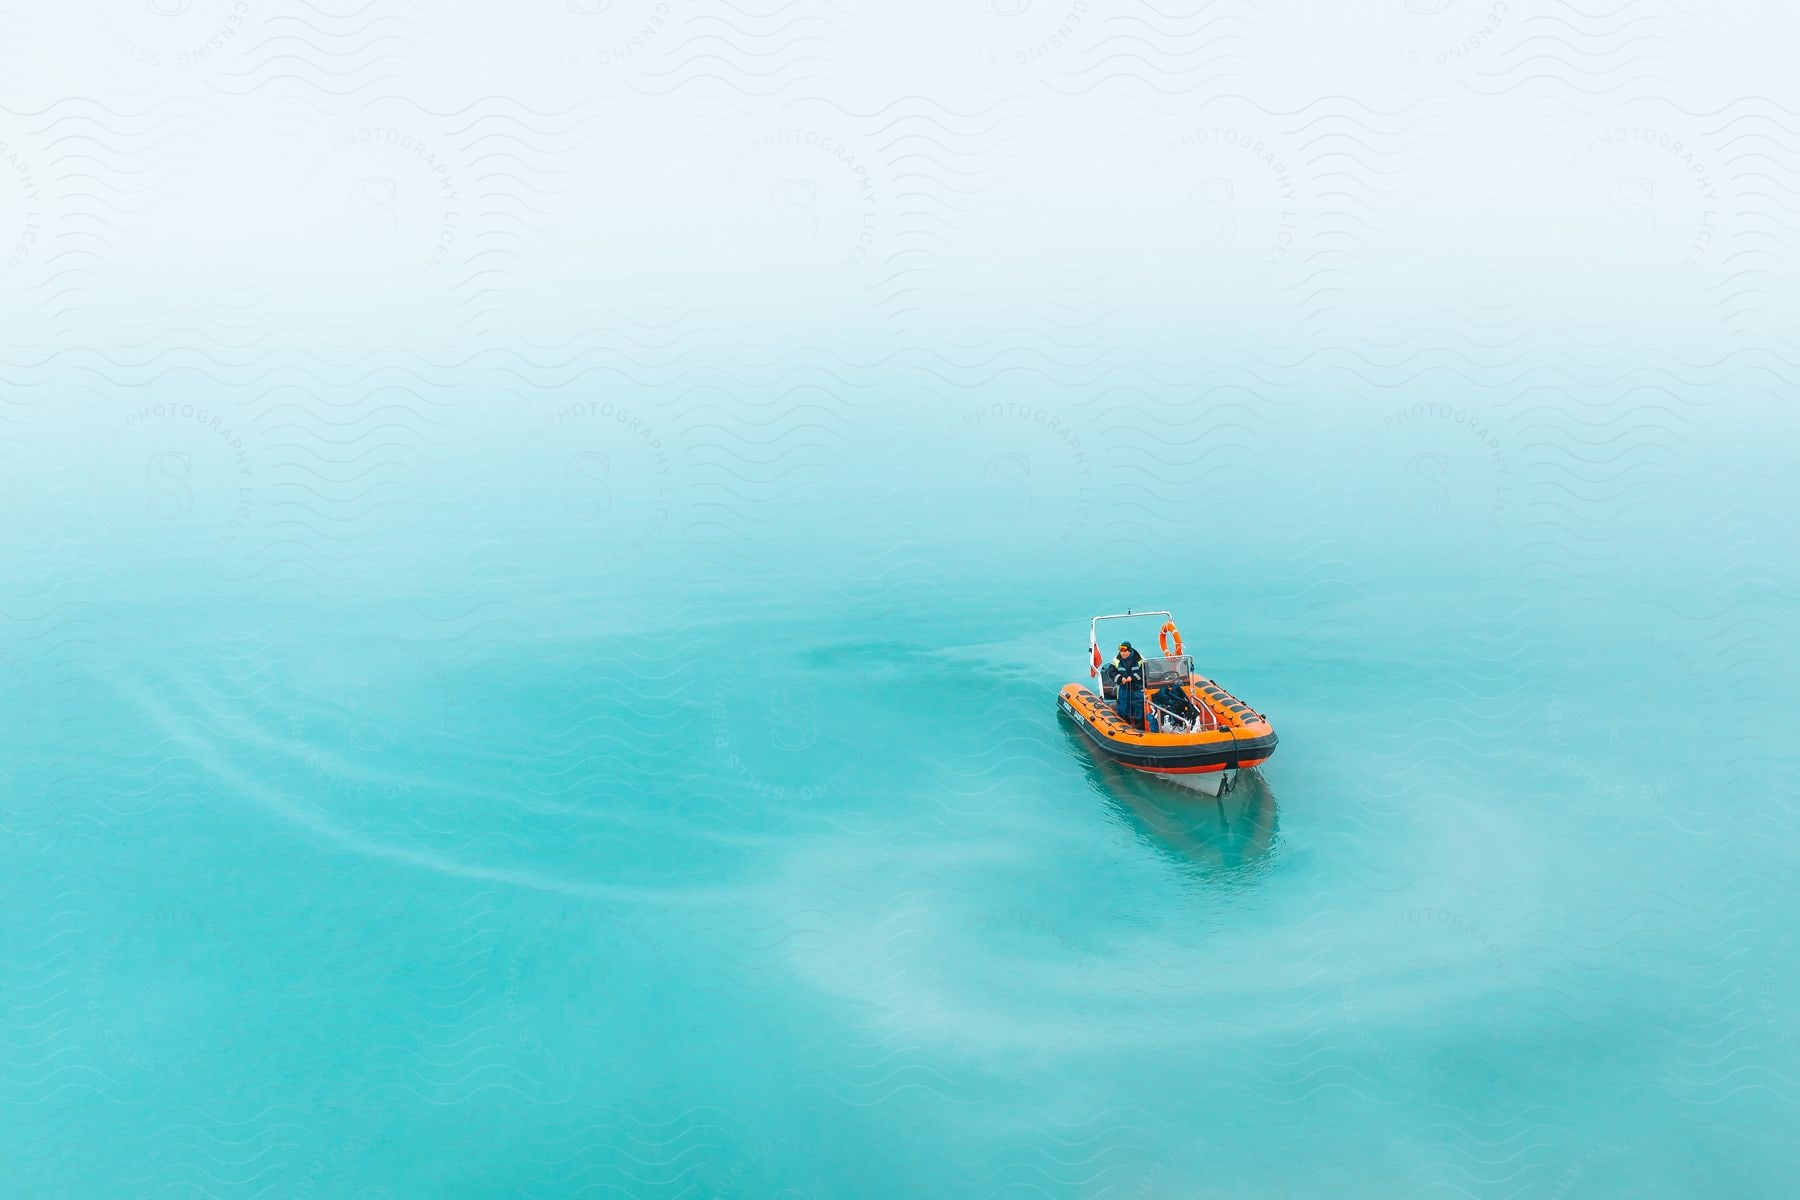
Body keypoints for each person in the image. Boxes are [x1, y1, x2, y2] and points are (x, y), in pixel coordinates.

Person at [1111, 641, 1145, 725]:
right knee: (1123, 708)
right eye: (1121, 651)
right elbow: (1111, 672)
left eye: (1125, 651)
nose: (1123, 653)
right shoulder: (1117, 660)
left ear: (1129, 651)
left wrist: (1133, 677)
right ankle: (1123, 726)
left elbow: (1143, 671)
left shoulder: (1139, 659)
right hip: (1123, 689)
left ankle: (1140, 726)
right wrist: (1120, 678)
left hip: (1137, 689)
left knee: (1139, 709)